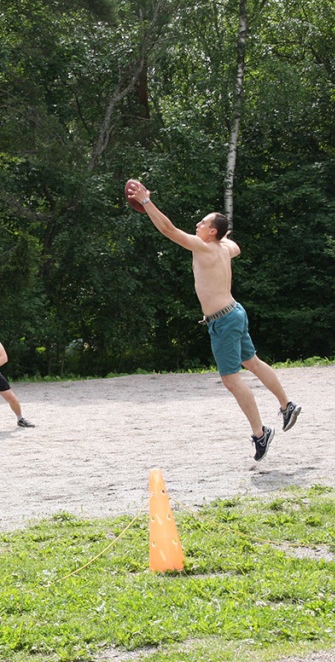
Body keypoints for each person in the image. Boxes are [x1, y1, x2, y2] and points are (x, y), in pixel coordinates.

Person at [125, 180, 300, 461]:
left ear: (212, 232)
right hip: (234, 312)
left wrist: (147, 202)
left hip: (224, 320)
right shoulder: (223, 248)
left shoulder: (204, 247)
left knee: (231, 380)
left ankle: (260, 433)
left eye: (203, 223)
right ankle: (286, 404)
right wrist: (225, 236)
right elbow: (236, 246)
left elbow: (168, 230)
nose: (197, 224)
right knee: (252, 362)